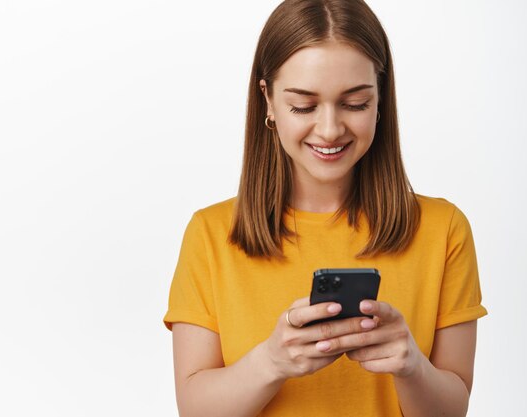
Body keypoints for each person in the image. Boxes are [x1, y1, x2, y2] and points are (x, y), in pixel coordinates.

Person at [163, 0, 487, 416]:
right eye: (304, 105)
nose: (331, 129)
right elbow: (195, 410)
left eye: (355, 103)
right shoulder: (211, 233)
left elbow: (453, 410)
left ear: (380, 99)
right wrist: (271, 362)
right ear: (268, 100)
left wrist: (410, 367)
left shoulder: (443, 229)